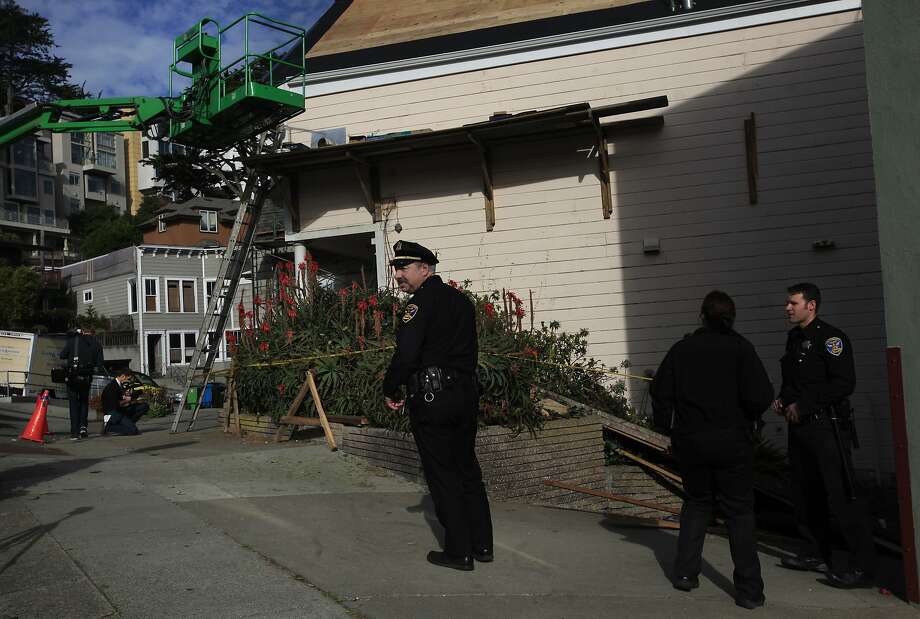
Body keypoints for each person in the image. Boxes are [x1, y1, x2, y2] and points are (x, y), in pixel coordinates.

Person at [650, 290, 773, 610]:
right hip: (733, 443)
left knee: (696, 503)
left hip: (692, 442)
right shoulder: (742, 350)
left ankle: (686, 573)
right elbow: (760, 397)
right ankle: (749, 590)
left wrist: (666, 427)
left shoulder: (682, 349)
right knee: (740, 512)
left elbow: (660, 390)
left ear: (702, 316)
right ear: (732, 318)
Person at [382, 240, 493, 572]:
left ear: (424, 269)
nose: (398, 275)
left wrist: (390, 386)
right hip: (465, 393)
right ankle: (482, 544)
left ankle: (459, 552)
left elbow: (407, 354)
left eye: (403, 269)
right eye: (396, 269)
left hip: (433, 398)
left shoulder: (419, 305)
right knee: (466, 469)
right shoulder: (461, 301)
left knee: (443, 473)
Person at [774, 282, 876, 588]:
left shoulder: (831, 338)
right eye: (788, 303)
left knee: (841, 495)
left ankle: (861, 567)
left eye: (793, 303)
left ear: (811, 306)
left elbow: (844, 383)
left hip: (826, 427)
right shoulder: (795, 339)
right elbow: (794, 379)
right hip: (801, 429)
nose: (787, 307)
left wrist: (804, 405)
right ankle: (814, 553)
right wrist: (783, 399)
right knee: (806, 494)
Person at [59, 327, 105, 440]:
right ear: (93, 333)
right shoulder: (97, 344)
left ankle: (74, 432)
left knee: (73, 404)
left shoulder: (73, 341)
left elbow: (62, 355)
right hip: (86, 378)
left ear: (82, 332)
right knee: (84, 402)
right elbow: (100, 364)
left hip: (73, 377)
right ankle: (83, 427)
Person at [100, 367, 148, 436]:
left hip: (120, 410)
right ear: (123, 376)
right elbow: (116, 404)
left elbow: (123, 398)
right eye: (128, 379)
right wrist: (127, 400)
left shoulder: (119, 385)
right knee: (133, 430)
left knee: (144, 406)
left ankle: (128, 423)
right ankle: (109, 428)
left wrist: (132, 398)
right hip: (113, 413)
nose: (128, 381)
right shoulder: (111, 387)